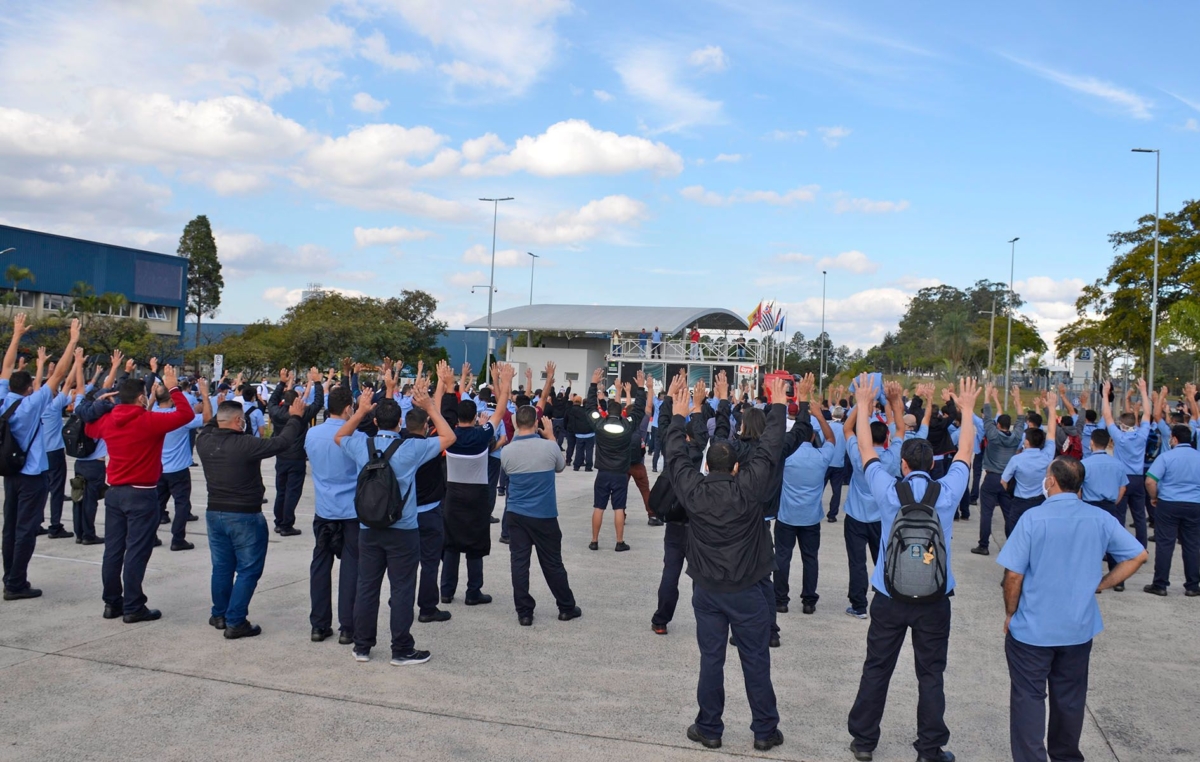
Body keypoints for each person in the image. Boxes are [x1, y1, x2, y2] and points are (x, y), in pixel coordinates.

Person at [846, 373, 980, 762]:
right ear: (933, 464)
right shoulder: (949, 490)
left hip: (889, 595)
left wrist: (865, 403)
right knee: (930, 675)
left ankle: (864, 741)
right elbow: (966, 452)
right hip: (936, 599)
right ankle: (929, 748)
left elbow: (868, 449)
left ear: (903, 465)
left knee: (877, 668)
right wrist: (967, 410)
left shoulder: (889, 490)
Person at [663, 372, 788, 752]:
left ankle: (710, 727)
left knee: (711, 660)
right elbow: (769, 449)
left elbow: (674, 454)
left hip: (709, 591)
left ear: (708, 467)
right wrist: (778, 404)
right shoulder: (748, 489)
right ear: (735, 467)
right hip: (748, 589)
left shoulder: (693, 490)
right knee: (755, 660)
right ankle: (764, 730)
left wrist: (680, 414)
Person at [997, 457, 1147, 762]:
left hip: (1033, 630)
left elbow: (1013, 575)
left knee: (1029, 699)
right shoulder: (1100, 519)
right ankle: (1065, 756)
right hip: (1078, 628)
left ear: (1051, 481)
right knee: (1070, 700)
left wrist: (1011, 612)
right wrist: (1102, 583)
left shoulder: (1032, 518)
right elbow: (1138, 555)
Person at [335, 381, 456, 666]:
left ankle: (362, 646)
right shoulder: (410, 448)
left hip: (368, 527)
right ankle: (401, 648)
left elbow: (340, 436)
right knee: (402, 588)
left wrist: (360, 410)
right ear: (400, 421)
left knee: (367, 587)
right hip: (403, 529)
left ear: (375, 421)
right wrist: (429, 407)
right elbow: (449, 438)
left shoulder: (361, 444)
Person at [82, 359, 195, 622]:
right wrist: (174, 388)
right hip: (142, 493)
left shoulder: (109, 420)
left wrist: (101, 403)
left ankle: (112, 603)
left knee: (113, 549)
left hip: (115, 492)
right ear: (142, 398)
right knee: (136, 551)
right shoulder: (148, 420)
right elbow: (186, 416)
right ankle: (133, 605)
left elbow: (88, 427)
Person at [195, 394, 305, 637]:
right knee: (248, 569)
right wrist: (295, 417)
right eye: (242, 420)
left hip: (215, 512)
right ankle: (235, 621)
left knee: (221, 567)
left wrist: (213, 400)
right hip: (244, 514)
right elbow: (282, 442)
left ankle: (219, 614)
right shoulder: (245, 444)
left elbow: (215, 421)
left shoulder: (204, 441)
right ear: (238, 421)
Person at [2, 316, 80, 600]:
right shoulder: (30, 405)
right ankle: (16, 583)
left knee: (9, 526)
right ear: (28, 388)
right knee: (26, 529)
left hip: (9, 471)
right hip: (32, 474)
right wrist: (72, 341)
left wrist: (16, 335)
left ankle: (9, 574)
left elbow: (7, 367)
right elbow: (59, 376)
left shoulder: (3, 397)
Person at [501, 362, 581, 626]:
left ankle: (524, 612)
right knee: (552, 563)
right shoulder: (549, 448)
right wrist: (551, 438)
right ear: (537, 422)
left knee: (519, 564)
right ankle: (566, 606)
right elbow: (559, 466)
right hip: (545, 515)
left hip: (517, 514)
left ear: (515, 422)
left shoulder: (508, 452)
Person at [441, 363, 512, 605]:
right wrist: (505, 382)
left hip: (453, 493)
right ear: (475, 417)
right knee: (475, 544)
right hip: (477, 495)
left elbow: (440, 412)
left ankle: (447, 591)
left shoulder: (449, 436)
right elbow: (501, 411)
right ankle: (473, 592)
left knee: (450, 544)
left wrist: (447, 384)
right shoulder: (483, 435)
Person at [650, 384, 713, 635]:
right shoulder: (707, 456)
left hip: (675, 523)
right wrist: (699, 406)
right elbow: (713, 429)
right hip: (699, 524)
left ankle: (661, 620)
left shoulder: (674, 455)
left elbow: (665, 427)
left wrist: (669, 400)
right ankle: (705, 620)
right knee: (701, 577)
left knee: (670, 573)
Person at [842, 381, 905, 619]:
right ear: (885, 437)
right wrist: (893, 402)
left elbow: (847, 429)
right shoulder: (891, 457)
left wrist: (861, 404)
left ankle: (859, 606)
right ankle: (887, 598)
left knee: (857, 563)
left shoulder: (860, 455)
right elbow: (900, 429)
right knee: (884, 559)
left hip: (856, 516)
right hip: (882, 517)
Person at [305, 383, 362, 644]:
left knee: (320, 566)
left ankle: (319, 624)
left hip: (324, 509)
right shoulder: (354, 436)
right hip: (350, 511)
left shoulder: (312, 434)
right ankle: (347, 627)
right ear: (349, 408)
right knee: (351, 568)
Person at [776, 380, 836, 616]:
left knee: (782, 557)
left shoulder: (786, 457)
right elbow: (832, 440)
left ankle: (780, 599)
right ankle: (809, 600)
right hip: (810, 517)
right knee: (810, 559)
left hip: (786, 514)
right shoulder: (821, 457)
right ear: (812, 437)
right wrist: (820, 417)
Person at [585, 367, 646, 551]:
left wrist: (593, 384)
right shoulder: (627, 426)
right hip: (620, 474)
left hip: (603, 473)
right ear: (621, 412)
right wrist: (641, 389)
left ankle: (594, 541)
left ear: (607, 411)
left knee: (598, 507)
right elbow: (639, 411)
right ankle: (619, 542)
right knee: (619, 508)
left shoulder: (599, 423)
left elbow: (589, 407)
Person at [154, 378, 212, 551]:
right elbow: (207, 418)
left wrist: (152, 396)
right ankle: (177, 539)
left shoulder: (151, 414)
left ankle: (150, 536)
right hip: (178, 469)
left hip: (158, 468)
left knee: (157, 504)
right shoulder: (179, 418)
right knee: (181, 505)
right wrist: (205, 395)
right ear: (172, 399)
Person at [1143, 423, 1200, 596]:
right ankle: (1192, 585)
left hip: (1168, 504)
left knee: (1165, 544)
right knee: (1192, 545)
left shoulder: (1166, 457)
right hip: (1195, 505)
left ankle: (1160, 584)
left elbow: (1150, 481)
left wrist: (1154, 497)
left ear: (1174, 439)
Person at [971, 384, 1026, 556]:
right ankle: (1012, 545)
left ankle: (984, 544)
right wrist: (1017, 399)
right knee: (1009, 514)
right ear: (1008, 425)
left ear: (998, 424)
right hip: (1008, 480)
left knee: (986, 513)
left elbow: (987, 417)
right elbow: (1021, 419)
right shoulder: (1016, 436)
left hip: (991, 477)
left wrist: (987, 395)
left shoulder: (993, 436)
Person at [269, 367, 325, 536]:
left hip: (281, 454)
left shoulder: (276, 412)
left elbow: (272, 401)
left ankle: (279, 522)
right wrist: (317, 382)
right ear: (296, 402)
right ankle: (287, 524)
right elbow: (318, 403)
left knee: (281, 490)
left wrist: (281, 383)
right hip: (297, 457)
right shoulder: (302, 414)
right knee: (292, 492)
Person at [71, 351, 117, 546]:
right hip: (95, 465)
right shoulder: (104, 417)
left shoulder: (80, 409)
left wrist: (79, 364)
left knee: (77, 498)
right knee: (90, 501)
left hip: (79, 461)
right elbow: (106, 391)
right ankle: (89, 535)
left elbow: (81, 387)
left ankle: (79, 533)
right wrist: (114, 366)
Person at [1104, 379, 1151, 548]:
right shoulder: (1142, 434)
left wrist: (1105, 394)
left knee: (1120, 514)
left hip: (1121, 479)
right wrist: (1144, 392)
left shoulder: (1120, 437)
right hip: (1138, 478)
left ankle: (1120, 547)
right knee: (1139, 516)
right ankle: (1142, 548)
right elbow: (1147, 413)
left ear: (1122, 425)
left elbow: (1107, 416)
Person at [1000, 400, 1058, 536]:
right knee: (1036, 533)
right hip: (1039, 500)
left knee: (1014, 533)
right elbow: (1051, 432)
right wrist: (1051, 408)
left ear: (1026, 441)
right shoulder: (1047, 456)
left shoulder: (1017, 459)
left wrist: (1011, 493)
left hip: (1019, 502)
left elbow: (1003, 481)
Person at [824, 404, 849, 522]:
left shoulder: (827, 427)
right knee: (836, 490)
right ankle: (832, 514)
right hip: (839, 462)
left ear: (832, 414)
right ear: (843, 415)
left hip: (826, 461)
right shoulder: (845, 429)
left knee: (819, 488)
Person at [566, 393, 594, 471]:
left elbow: (570, 412)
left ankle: (576, 466)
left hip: (579, 434)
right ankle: (588, 466)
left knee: (579, 450)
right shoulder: (590, 411)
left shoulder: (575, 410)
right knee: (589, 450)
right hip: (590, 433)